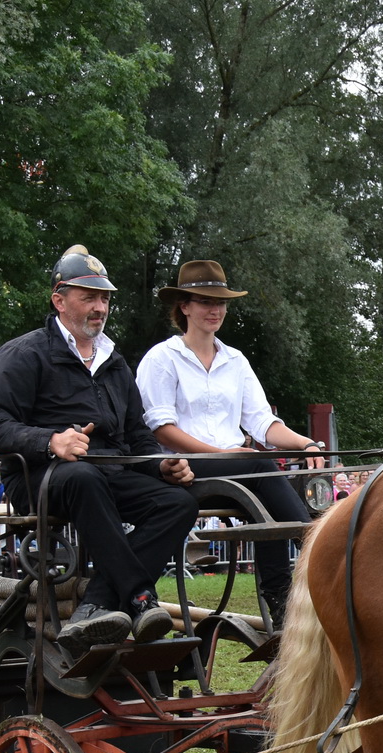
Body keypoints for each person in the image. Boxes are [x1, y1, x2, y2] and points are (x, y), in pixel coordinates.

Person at [0, 244, 199, 657]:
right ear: (59, 300)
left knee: (179, 502)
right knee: (83, 476)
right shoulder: (22, 354)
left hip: (109, 475)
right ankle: (138, 599)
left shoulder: (115, 362)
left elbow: (137, 432)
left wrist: (161, 465)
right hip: (39, 478)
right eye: (89, 297)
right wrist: (50, 441)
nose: (100, 307)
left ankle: (97, 603)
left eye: (105, 299)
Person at [136, 259, 324, 627]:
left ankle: (279, 594)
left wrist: (306, 444)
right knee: (257, 465)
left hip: (234, 469)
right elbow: (161, 428)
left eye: (220, 302)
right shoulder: (162, 358)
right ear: (184, 307)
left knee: (261, 486)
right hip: (179, 469)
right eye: (205, 301)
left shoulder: (235, 360)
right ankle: (319, 555)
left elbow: (263, 422)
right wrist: (223, 454)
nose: (215, 309)